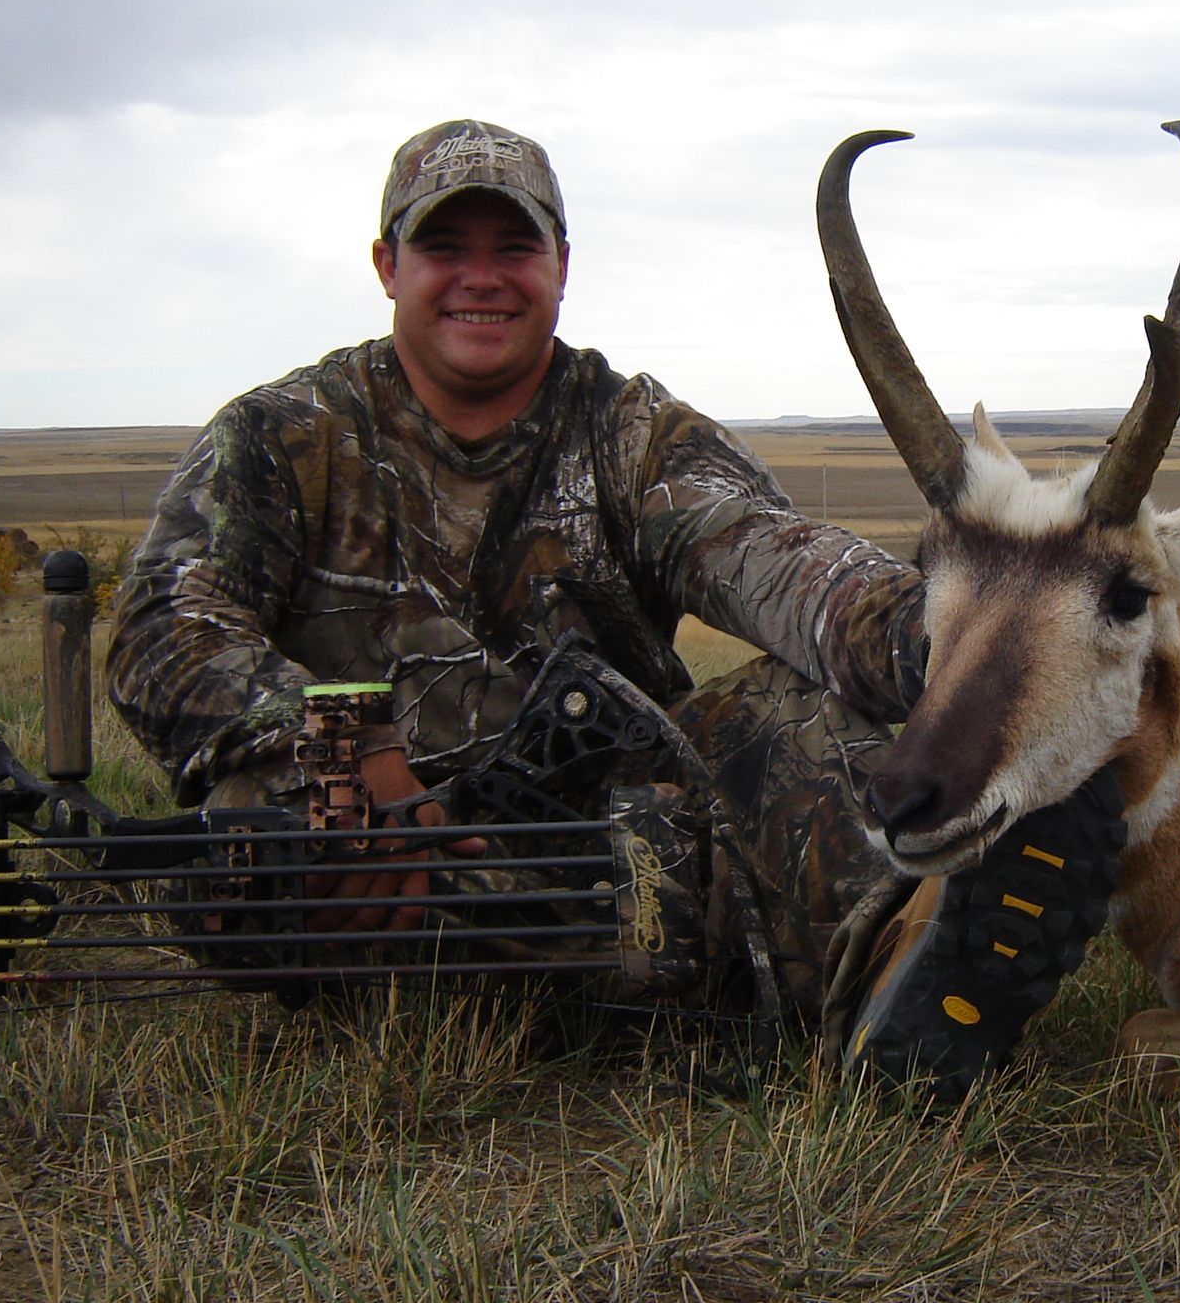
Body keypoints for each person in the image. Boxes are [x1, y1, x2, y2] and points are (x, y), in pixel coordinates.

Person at [106, 119, 1125, 1101]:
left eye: (515, 245)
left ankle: (900, 975)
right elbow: (166, 625)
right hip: (368, 839)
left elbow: (777, 561)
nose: (482, 275)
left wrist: (947, 643)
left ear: (560, 265)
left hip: (613, 830)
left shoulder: (633, 435)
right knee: (244, 843)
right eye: (443, 247)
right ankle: (624, 976)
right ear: (386, 265)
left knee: (829, 718)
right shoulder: (281, 436)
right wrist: (336, 746)